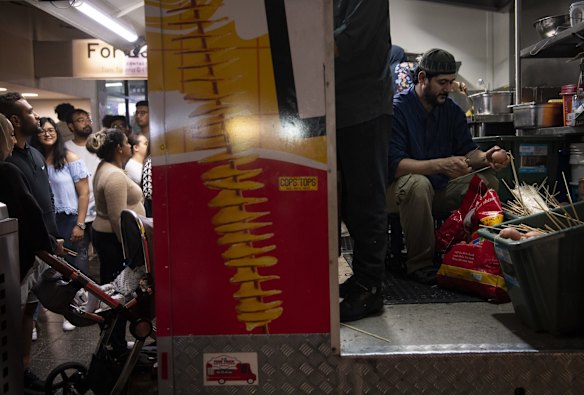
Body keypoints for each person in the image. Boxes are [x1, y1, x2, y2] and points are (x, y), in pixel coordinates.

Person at [387, 48, 510, 285]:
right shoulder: (397, 110)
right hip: (398, 192)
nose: (448, 88)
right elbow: (395, 166)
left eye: (451, 82)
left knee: (486, 182)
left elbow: (468, 151)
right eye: (442, 82)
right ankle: (420, 265)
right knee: (417, 184)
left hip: (437, 190)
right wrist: (440, 165)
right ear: (422, 78)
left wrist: (487, 157)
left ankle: (473, 255)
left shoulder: (452, 111)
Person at [334, 0, 392, 322]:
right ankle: (361, 278)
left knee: (366, 199)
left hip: (365, 108)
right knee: (348, 201)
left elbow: (348, 39)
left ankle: (371, 287)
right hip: (339, 107)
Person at [0, 95, 64, 391]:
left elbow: (44, 200)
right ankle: (16, 372)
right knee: (16, 314)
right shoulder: (7, 162)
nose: (36, 116)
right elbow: (23, 211)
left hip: (45, 247)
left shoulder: (35, 154)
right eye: (29, 112)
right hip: (23, 253)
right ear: (13, 120)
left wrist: (53, 238)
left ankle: (23, 368)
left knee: (29, 311)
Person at [87, 128, 145, 353]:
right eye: (127, 143)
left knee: (113, 293)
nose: (131, 146)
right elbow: (117, 217)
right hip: (113, 241)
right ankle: (115, 343)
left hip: (107, 238)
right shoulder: (113, 176)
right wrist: (128, 250)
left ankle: (114, 340)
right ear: (119, 148)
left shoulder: (107, 168)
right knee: (117, 295)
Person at [30, 117, 90, 331]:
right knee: (42, 270)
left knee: (72, 269)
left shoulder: (69, 157)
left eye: (50, 130)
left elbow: (84, 193)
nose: (47, 134)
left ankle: (72, 311)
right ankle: (34, 320)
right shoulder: (34, 159)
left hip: (68, 219)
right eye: (42, 131)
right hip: (45, 221)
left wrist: (80, 224)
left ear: (56, 133)